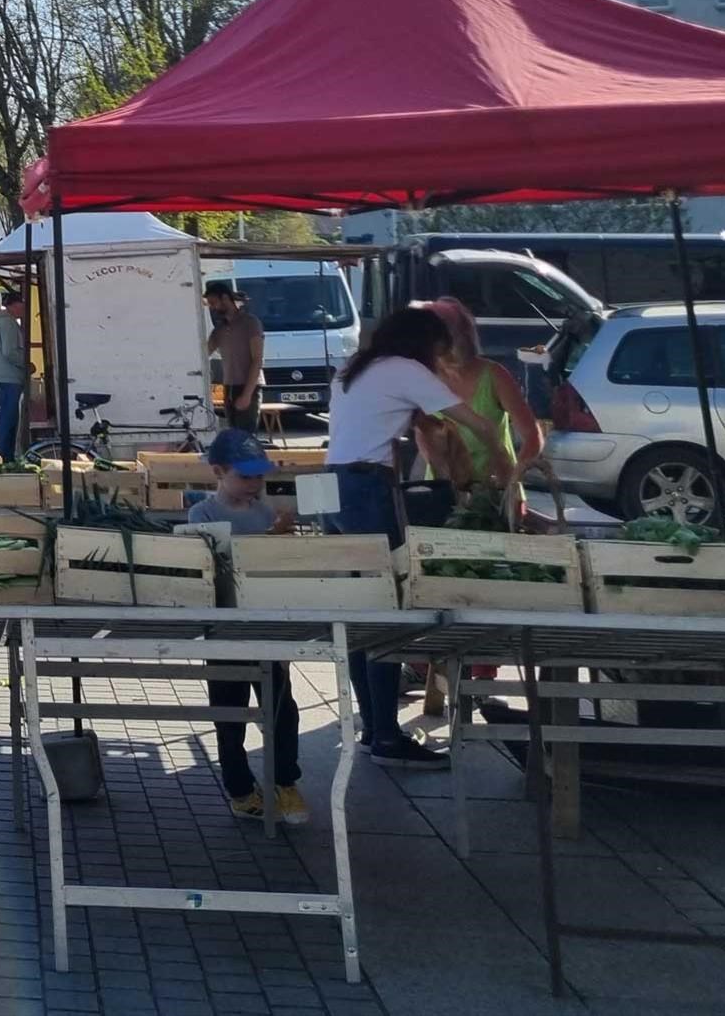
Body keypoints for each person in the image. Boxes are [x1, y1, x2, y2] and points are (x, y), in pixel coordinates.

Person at [327, 306, 513, 767]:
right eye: (438, 349)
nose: (440, 357)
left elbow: (427, 429)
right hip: (368, 490)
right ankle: (388, 738)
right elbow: (476, 423)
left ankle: (374, 730)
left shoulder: (357, 369)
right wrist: (503, 464)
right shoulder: (406, 370)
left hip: (333, 489)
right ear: (422, 344)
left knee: (359, 615)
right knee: (386, 614)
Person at [185, 428, 306, 822]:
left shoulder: (266, 511)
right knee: (229, 711)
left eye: (259, 477)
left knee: (282, 708)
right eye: (246, 476)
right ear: (219, 471)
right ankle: (239, 789)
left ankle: (285, 783)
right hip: (223, 628)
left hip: (266, 625)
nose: (254, 484)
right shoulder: (202, 513)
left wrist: (281, 538)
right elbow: (207, 564)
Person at [418, 297, 543, 525]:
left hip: (498, 492)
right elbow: (422, 439)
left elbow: (533, 436)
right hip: (445, 494)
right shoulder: (424, 379)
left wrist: (513, 478)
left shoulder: (494, 375)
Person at [206, 281, 265, 433]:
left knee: (245, 436)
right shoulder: (220, 328)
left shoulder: (250, 323)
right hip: (229, 386)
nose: (212, 308)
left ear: (225, 298)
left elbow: (257, 359)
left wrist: (247, 394)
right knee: (233, 434)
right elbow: (205, 351)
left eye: (213, 303)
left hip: (247, 385)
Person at [0, 291, 28, 458]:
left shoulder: (4, 322)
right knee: (9, 419)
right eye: (23, 304)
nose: (24, 308)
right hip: (9, 377)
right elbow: (10, 351)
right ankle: (5, 455)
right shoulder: (8, 323)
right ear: (14, 305)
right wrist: (27, 364)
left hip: (3, 376)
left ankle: (5, 454)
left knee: (7, 417)